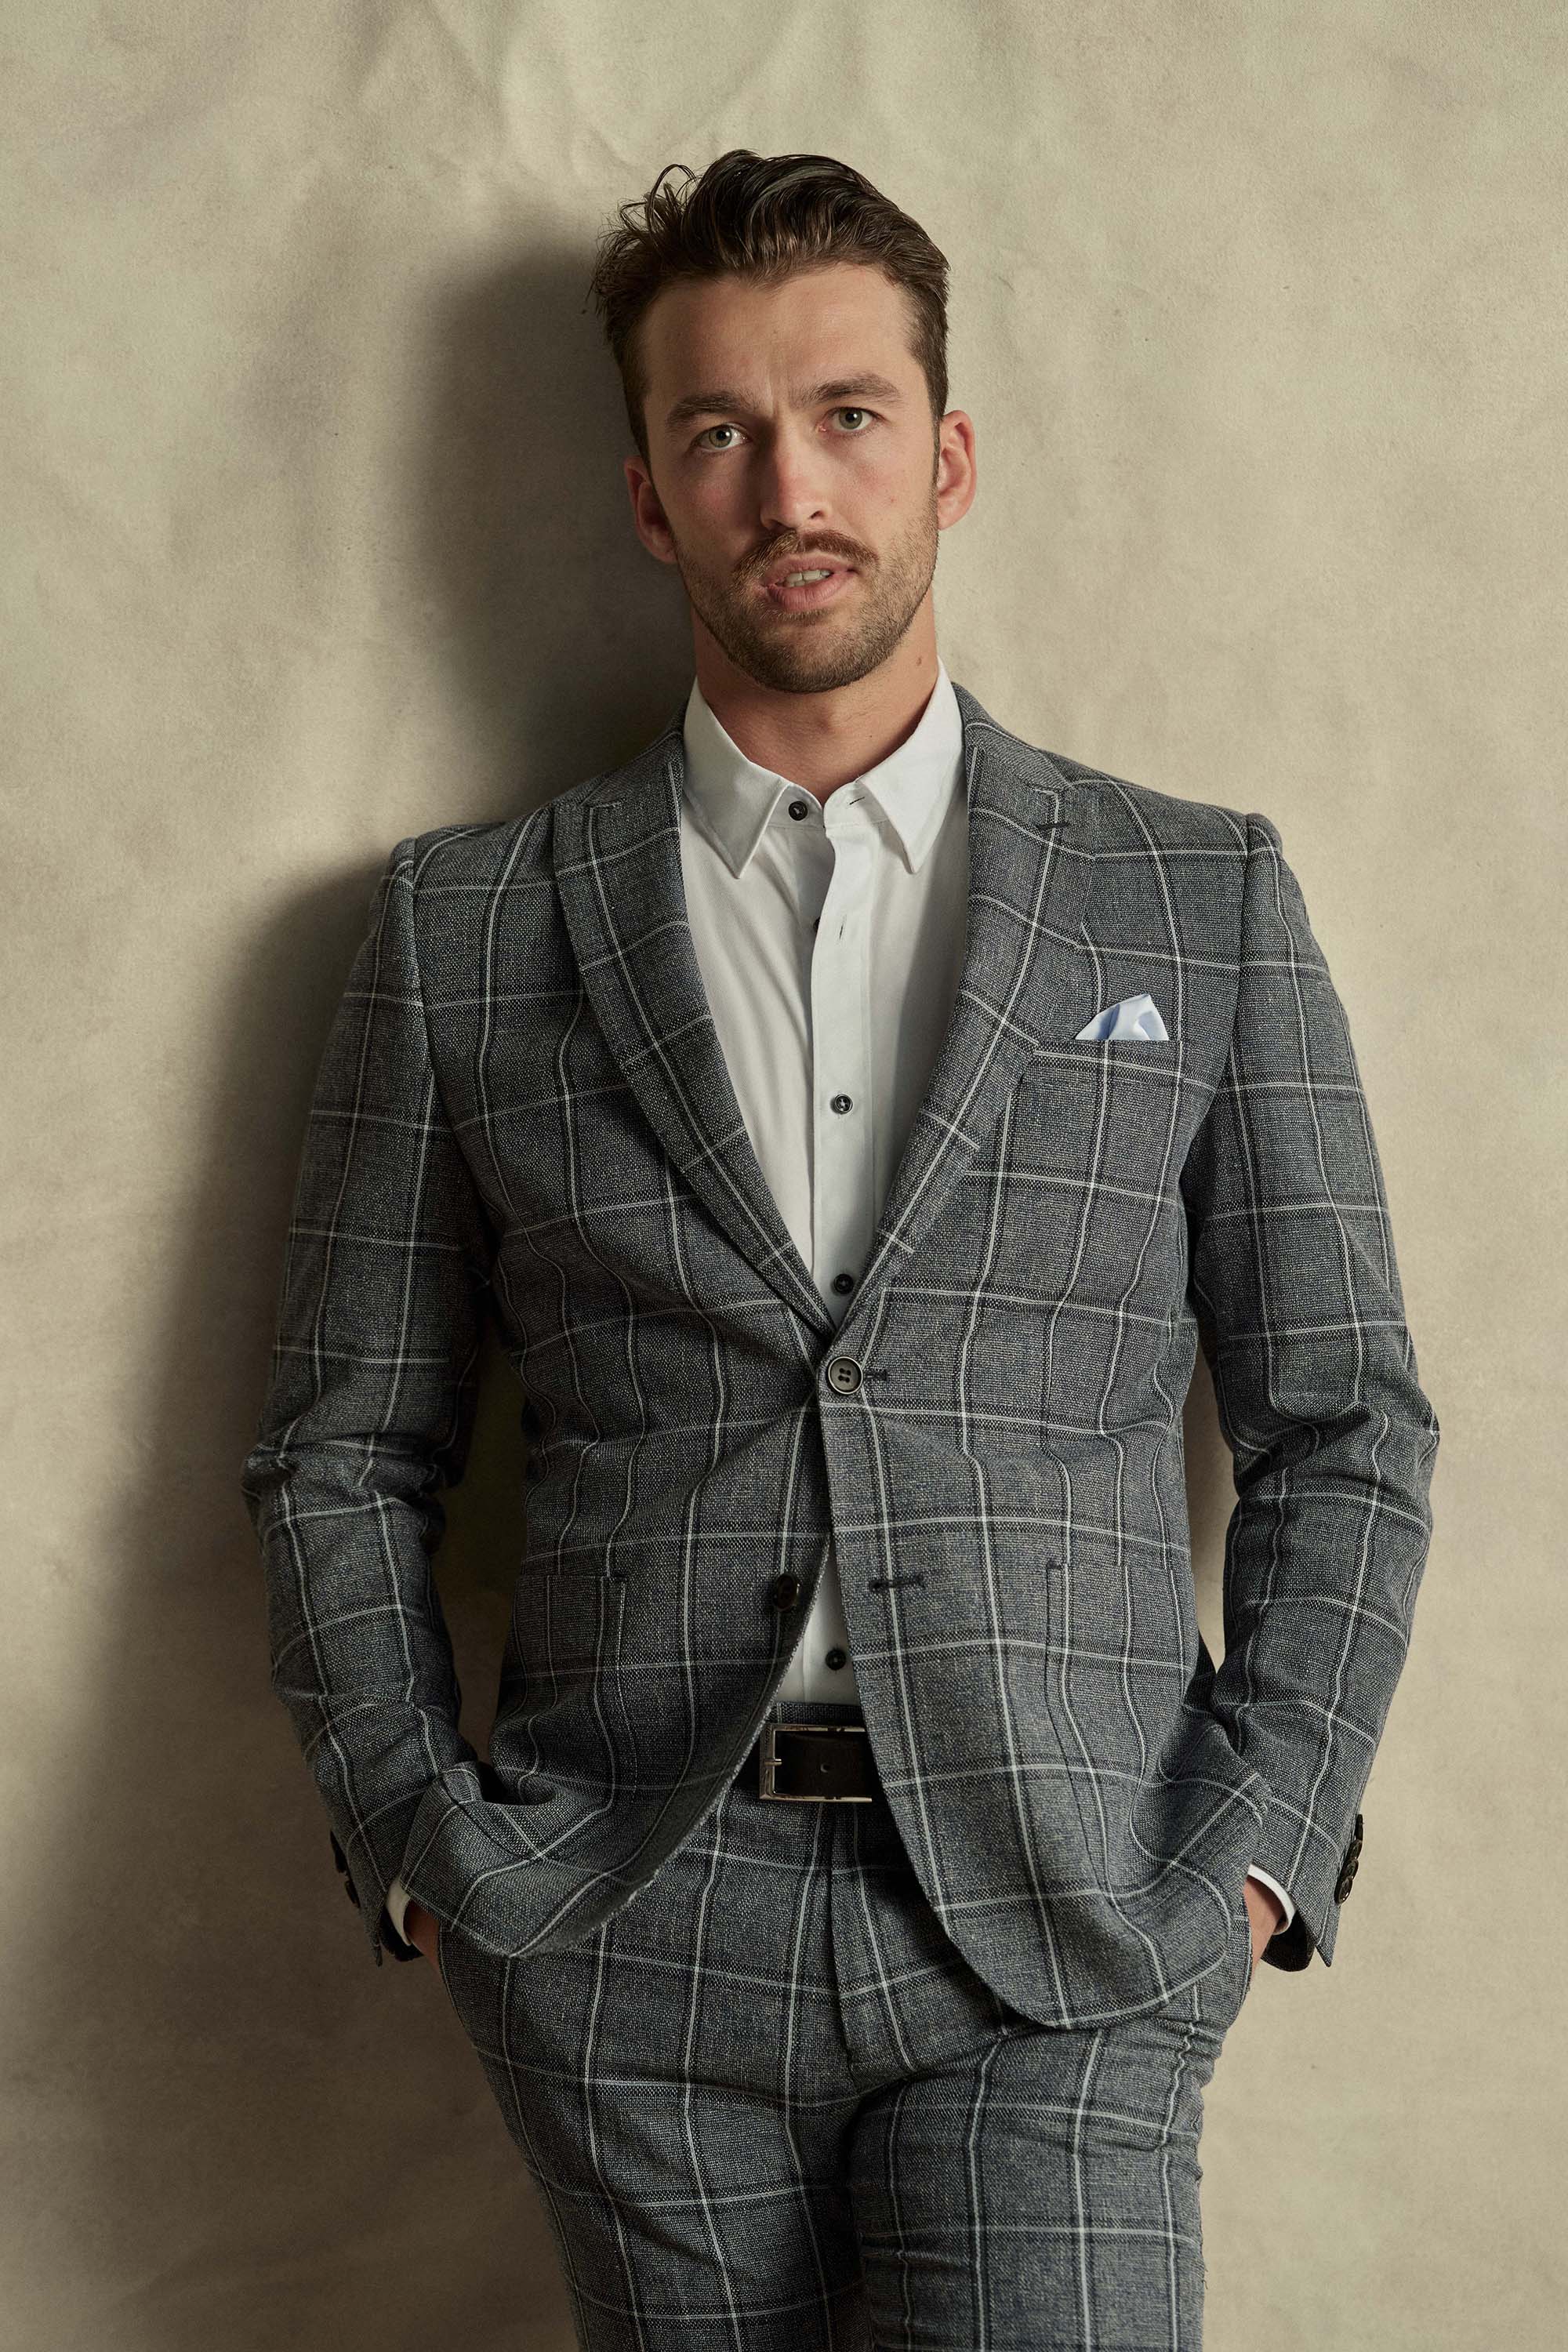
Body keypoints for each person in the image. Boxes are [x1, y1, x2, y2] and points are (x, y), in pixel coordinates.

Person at [241, 147, 1439, 2350]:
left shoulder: (1195, 900)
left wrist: (1260, 1839)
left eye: (849, 414)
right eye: (719, 429)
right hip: (625, 1925)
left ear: (949, 453)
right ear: (648, 496)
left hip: (1067, 1926)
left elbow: (1346, 1416)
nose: (790, 482)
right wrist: (424, 1834)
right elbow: (339, 1445)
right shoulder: (466, 932)